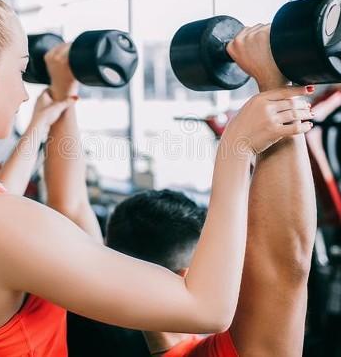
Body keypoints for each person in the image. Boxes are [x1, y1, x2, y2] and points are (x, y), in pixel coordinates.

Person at [0, 0, 313, 356]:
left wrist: (46, 115)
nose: (21, 91)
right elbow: (208, 308)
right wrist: (236, 150)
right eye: (19, 68)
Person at [70, 66, 317, 356]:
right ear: (187, 276)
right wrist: (274, 81)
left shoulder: (85, 316)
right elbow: (285, 265)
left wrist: (64, 93)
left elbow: (72, 206)